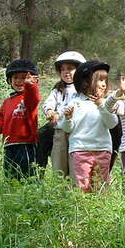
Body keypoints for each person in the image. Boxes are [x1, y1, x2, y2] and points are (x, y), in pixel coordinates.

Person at [61, 61, 118, 193]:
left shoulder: (106, 103)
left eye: (105, 80)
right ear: (86, 82)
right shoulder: (75, 103)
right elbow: (67, 128)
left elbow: (112, 123)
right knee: (82, 184)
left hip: (103, 149)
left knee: (100, 185)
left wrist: (101, 106)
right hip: (80, 149)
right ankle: (82, 209)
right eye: (100, 80)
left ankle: (99, 210)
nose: (104, 84)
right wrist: (68, 118)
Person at [0, 59, 41, 180]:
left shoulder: (29, 98)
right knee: (10, 173)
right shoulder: (7, 102)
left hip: (26, 144)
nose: (19, 81)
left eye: (23, 78)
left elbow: (34, 96)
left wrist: (31, 85)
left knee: (27, 174)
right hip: (9, 144)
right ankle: (11, 193)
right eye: (15, 77)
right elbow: (2, 119)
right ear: (9, 80)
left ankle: (29, 194)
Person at [41, 51, 86, 180]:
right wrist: (50, 111)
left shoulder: (83, 90)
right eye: (63, 70)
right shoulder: (58, 89)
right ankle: (59, 189)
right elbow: (48, 103)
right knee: (59, 162)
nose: (66, 72)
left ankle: (75, 189)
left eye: (70, 69)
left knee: (75, 163)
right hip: (60, 132)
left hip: (78, 132)